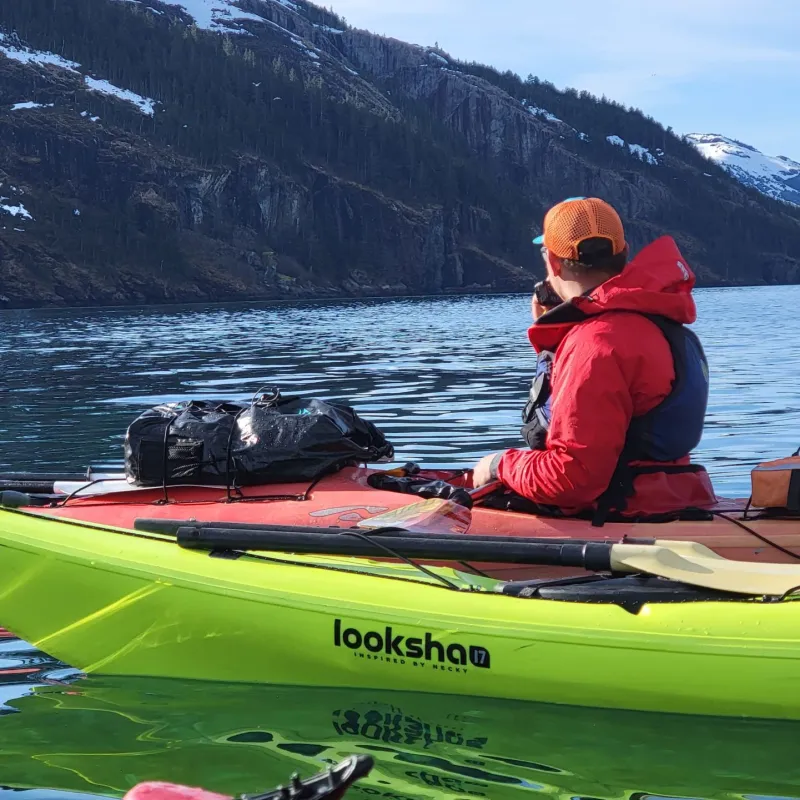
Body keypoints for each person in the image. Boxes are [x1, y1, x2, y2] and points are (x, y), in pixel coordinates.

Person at [472, 196, 716, 524]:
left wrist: (498, 464)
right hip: (674, 500)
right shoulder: (658, 323)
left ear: (553, 263)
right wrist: (558, 347)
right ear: (624, 253)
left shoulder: (595, 343)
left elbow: (572, 480)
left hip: (622, 516)